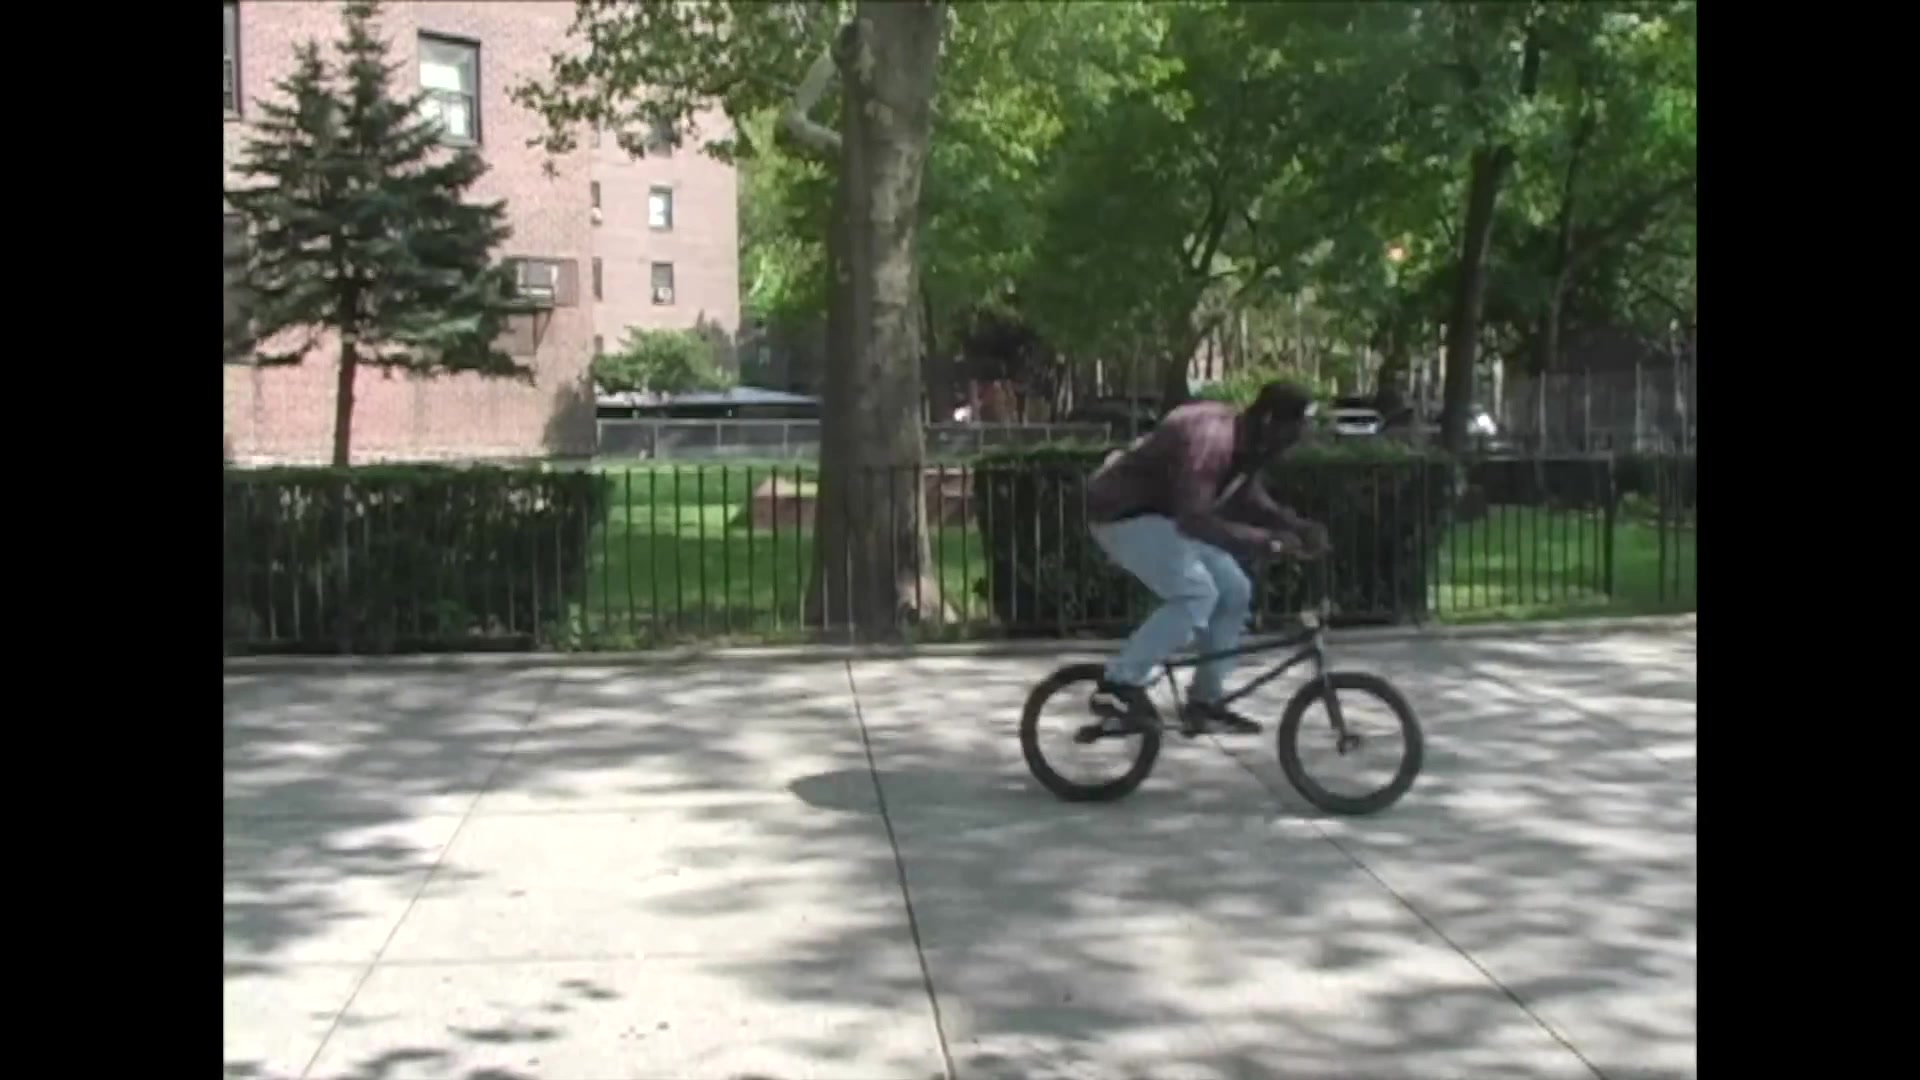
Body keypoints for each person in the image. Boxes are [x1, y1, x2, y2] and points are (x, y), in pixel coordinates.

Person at [1083, 381, 1328, 735]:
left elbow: (1247, 498)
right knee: (1196, 594)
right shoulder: (1211, 441)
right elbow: (1194, 519)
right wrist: (1268, 541)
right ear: (1270, 421)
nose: (1297, 439)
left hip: (1164, 518)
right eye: (1294, 430)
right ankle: (1119, 684)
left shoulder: (1249, 441)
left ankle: (1205, 701)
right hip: (1122, 516)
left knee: (1234, 591)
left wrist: (1295, 525)